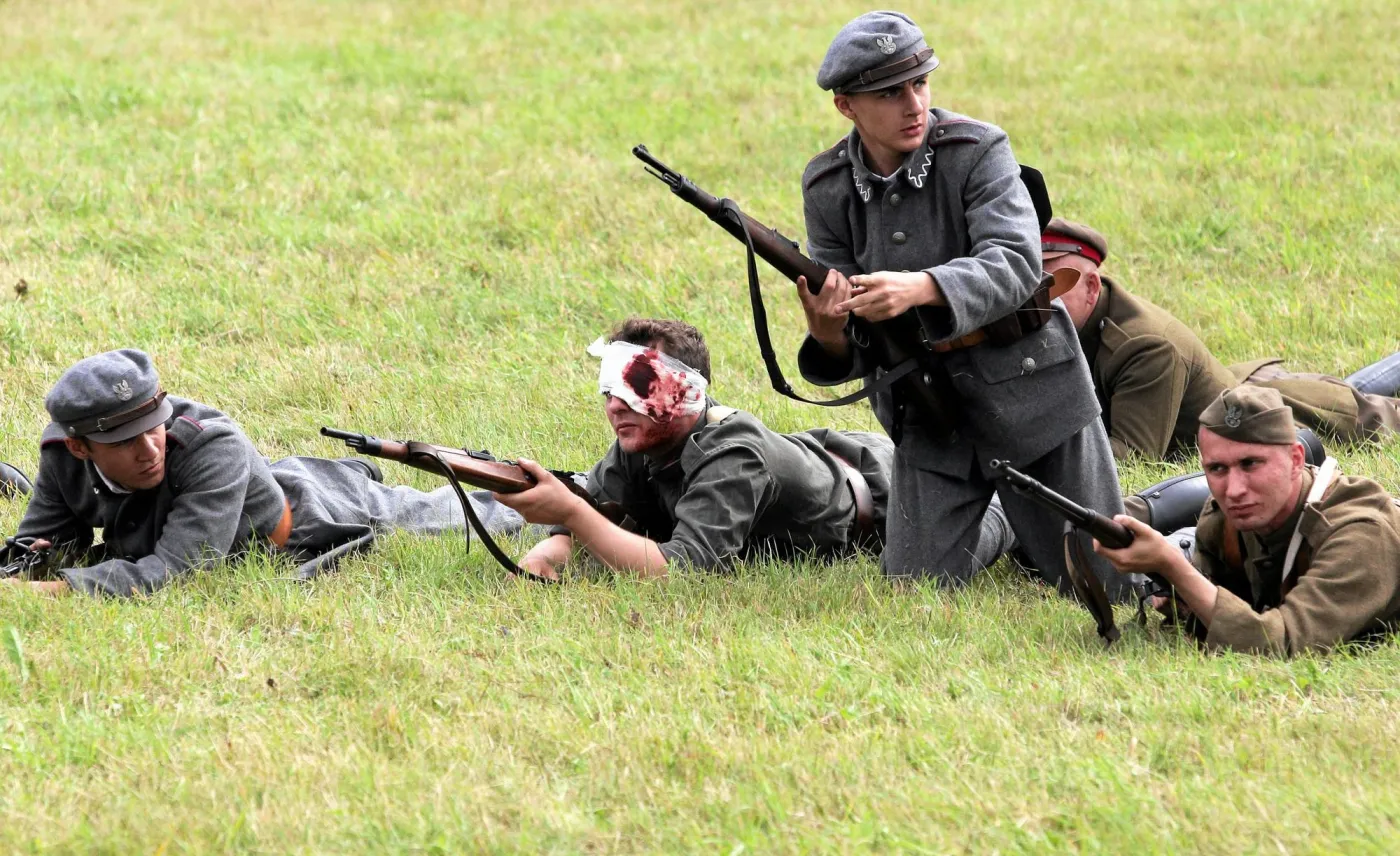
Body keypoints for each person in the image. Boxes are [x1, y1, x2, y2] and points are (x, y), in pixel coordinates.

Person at [793, 11, 1133, 601]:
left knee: (1110, 586)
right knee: (912, 595)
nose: (913, 103)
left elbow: (1016, 263)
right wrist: (828, 332)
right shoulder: (828, 187)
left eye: (920, 83)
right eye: (889, 92)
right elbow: (848, 319)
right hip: (930, 413)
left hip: (1033, 396)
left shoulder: (977, 150)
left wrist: (921, 286)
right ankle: (1005, 525)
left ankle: (1178, 523)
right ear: (846, 106)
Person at [495, 318, 1017, 580]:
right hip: (831, 458)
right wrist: (550, 550)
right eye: (610, 387)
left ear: (686, 393)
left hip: (885, 499)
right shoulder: (641, 436)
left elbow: (680, 571)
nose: (615, 404)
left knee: (957, 554)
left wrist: (570, 514)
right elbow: (597, 508)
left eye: (637, 388)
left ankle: (1011, 510)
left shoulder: (732, 455)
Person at [0, 349, 523, 597]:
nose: (149, 449)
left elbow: (180, 571)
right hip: (248, 489)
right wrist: (29, 566)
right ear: (80, 445)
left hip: (311, 517)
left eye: (154, 428)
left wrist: (59, 593)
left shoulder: (210, 442)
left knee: (492, 515)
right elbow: (43, 545)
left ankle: (587, 494)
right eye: (124, 441)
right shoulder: (60, 454)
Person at [1041, 217, 1400, 460]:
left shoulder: (1144, 345)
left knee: (1373, 414)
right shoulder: (1058, 320)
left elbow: (1131, 458)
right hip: (1244, 385)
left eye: (1050, 284)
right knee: (1353, 387)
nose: (1032, 297)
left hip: (1271, 416)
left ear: (1091, 287)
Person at [1095, 386, 1400, 655]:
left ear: (1296, 459)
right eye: (1217, 469)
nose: (1234, 490)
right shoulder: (1222, 523)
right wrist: (1179, 597)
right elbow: (1221, 611)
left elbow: (1284, 645)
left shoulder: (1358, 533)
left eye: (1250, 463)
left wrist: (1171, 566)